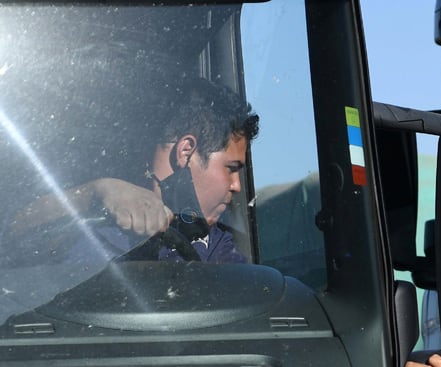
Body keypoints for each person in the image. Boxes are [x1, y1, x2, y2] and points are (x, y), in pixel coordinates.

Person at [5, 77, 259, 265]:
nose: (237, 185)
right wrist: (95, 192)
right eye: (231, 169)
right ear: (186, 151)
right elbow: (11, 236)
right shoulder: (90, 219)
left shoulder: (216, 244)